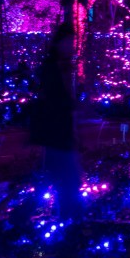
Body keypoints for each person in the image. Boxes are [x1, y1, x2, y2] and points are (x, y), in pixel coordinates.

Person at [26, 22, 83, 221]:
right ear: (59, 42)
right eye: (69, 41)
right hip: (56, 133)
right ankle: (65, 219)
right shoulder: (53, 67)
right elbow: (53, 99)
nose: (71, 45)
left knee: (63, 179)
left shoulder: (63, 66)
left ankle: (65, 217)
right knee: (64, 179)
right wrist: (71, 105)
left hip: (61, 132)